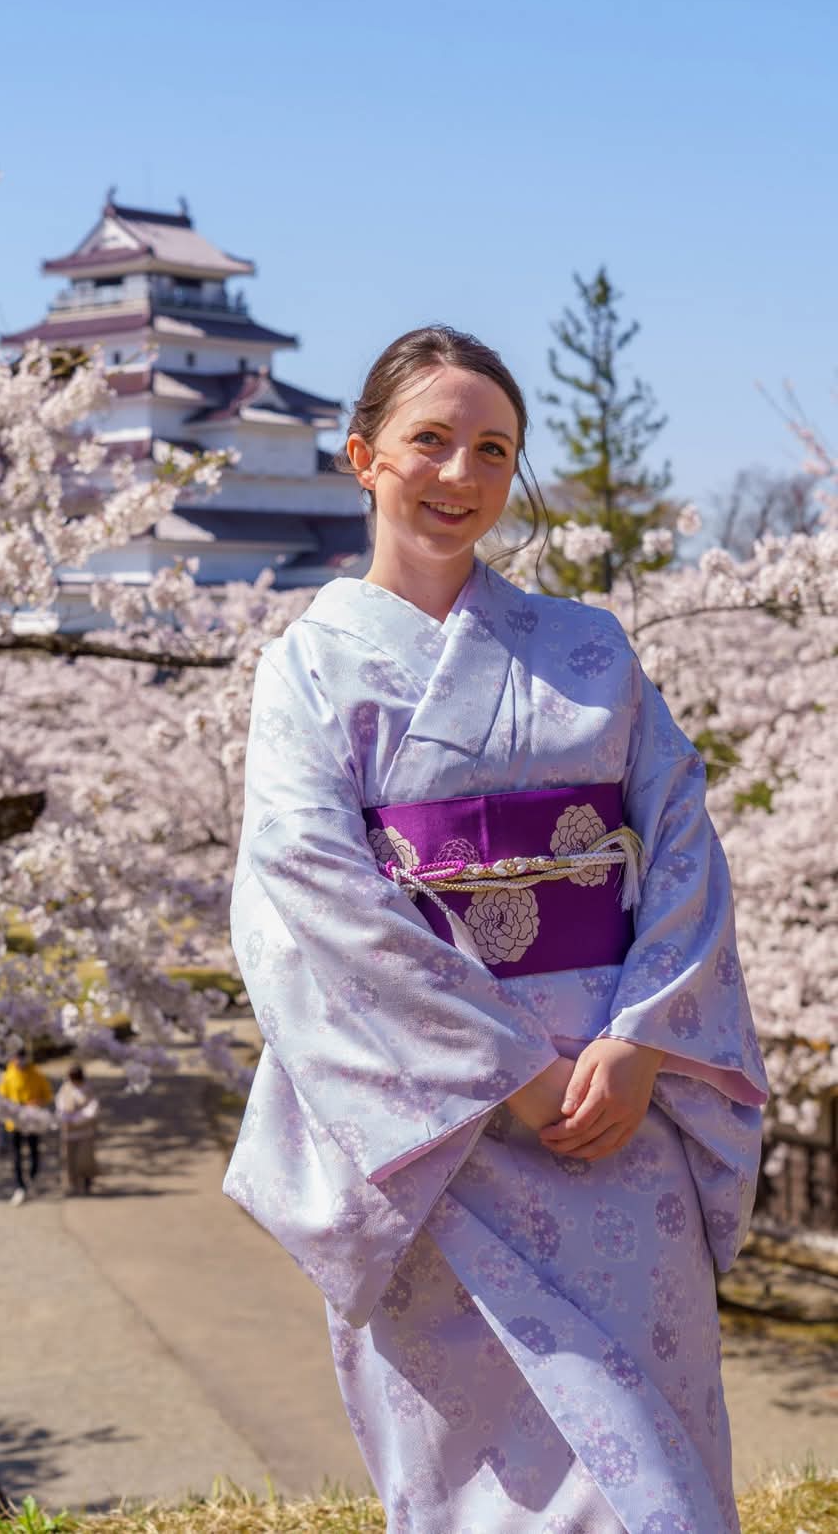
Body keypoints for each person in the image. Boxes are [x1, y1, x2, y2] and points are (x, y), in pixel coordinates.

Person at [224, 326, 767, 1532]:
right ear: (364, 457)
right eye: (430, 442)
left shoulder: (589, 649)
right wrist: (510, 1073)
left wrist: (641, 1041)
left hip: (618, 1108)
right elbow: (312, 893)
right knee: (482, 1479)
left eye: (491, 450)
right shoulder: (307, 670)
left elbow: (682, 839)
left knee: (660, 1467)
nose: (459, 475)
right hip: (438, 1124)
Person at [0, 1050, 53, 1205]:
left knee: (34, 1152)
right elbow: (1, 1098)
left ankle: (33, 1178)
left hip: (33, 1120)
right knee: (16, 1156)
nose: (20, 1061)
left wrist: (37, 1102)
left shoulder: (36, 1074)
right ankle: (20, 1186)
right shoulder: (8, 1076)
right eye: (17, 1058)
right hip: (14, 1123)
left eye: (22, 1058)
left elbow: (47, 1095)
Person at [55, 1064, 99, 1195]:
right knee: (69, 1159)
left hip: (84, 1130)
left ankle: (87, 1181)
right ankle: (72, 1184)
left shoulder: (88, 1089)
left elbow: (93, 1106)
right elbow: (60, 1104)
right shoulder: (65, 1088)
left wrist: (80, 1117)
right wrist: (65, 1115)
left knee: (85, 1158)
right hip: (69, 1131)